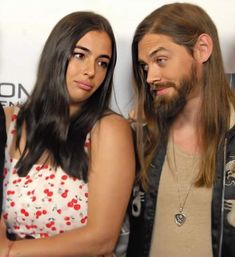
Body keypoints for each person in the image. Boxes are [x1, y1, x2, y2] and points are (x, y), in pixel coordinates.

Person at [0, 11, 135, 257]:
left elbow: (101, 239)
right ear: (56, 53)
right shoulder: (9, 120)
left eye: (102, 62)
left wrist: (11, 251)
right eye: (80, 55)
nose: (91, 71)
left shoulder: (109, 129)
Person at [126, 3, 235, 257]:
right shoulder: (141, 137)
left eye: (160, 60)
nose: (150, 76)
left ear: (202, 49)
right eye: (145, 66)